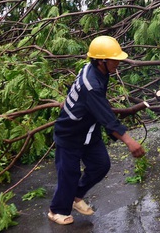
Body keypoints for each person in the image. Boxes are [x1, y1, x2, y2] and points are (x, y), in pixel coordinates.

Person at [48, 36, 146, 225]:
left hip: (89, 131)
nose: (118, 62)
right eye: (114, 59)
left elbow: (95, 103)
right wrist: (129, 141)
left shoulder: (96, 71)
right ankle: (56, 210)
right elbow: (107, 119)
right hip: (70, 134)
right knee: (69, 174)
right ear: (102, 60)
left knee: (101, 165)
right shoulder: (91, 85)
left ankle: (76, 196)